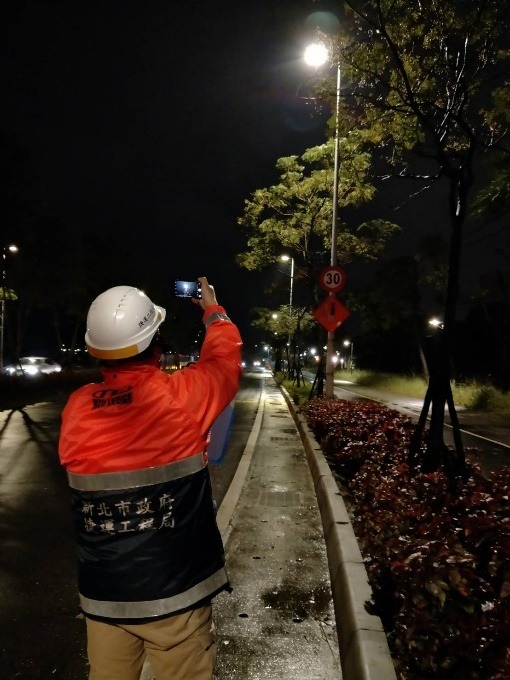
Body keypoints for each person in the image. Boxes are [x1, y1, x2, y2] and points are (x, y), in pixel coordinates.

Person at [59, 277, 242, 680]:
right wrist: (214, 311)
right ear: (155, 342)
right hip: (174, 597)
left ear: (97, 350)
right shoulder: (180, 397)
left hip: (104, 597)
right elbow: (225, 362)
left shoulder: (76, 410)